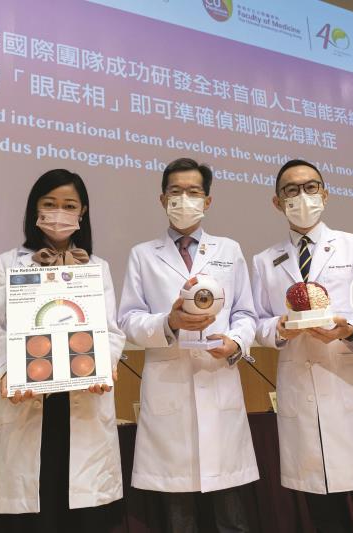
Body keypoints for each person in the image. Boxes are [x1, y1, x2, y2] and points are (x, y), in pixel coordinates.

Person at [251, 159, 353, 533]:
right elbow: (255, 323)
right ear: (277, 202)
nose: (302, 196)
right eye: (291, 189)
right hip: (302, 393)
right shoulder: (264, 261)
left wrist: (348, 329)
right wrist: (280, 329)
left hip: (352, 389)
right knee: (324, 512)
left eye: (311, 187)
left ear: (325, 194)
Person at [0, 169, 125, 532]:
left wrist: (105, 363)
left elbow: (109, 330)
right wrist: (8, 371)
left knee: (84, 515)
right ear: (35, 210)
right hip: (28, 398)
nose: (59, 212)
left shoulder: (96, 267)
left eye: (69, 205)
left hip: (84, 398)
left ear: (82, 212)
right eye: (50, 204)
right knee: (34, 516)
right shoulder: (8, 264)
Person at [118, 157, 258, 533]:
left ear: (208, 201)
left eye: (193, 192)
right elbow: (129, 320)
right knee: (180, 518)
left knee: (232, 514)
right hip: (170, 393)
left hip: (218, 382)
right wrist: (169, 323)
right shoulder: (143, 255)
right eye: (175, 192)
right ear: (162, 199)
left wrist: (236, 343)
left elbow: (246, 313)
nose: (184, 199)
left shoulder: (229, 250)